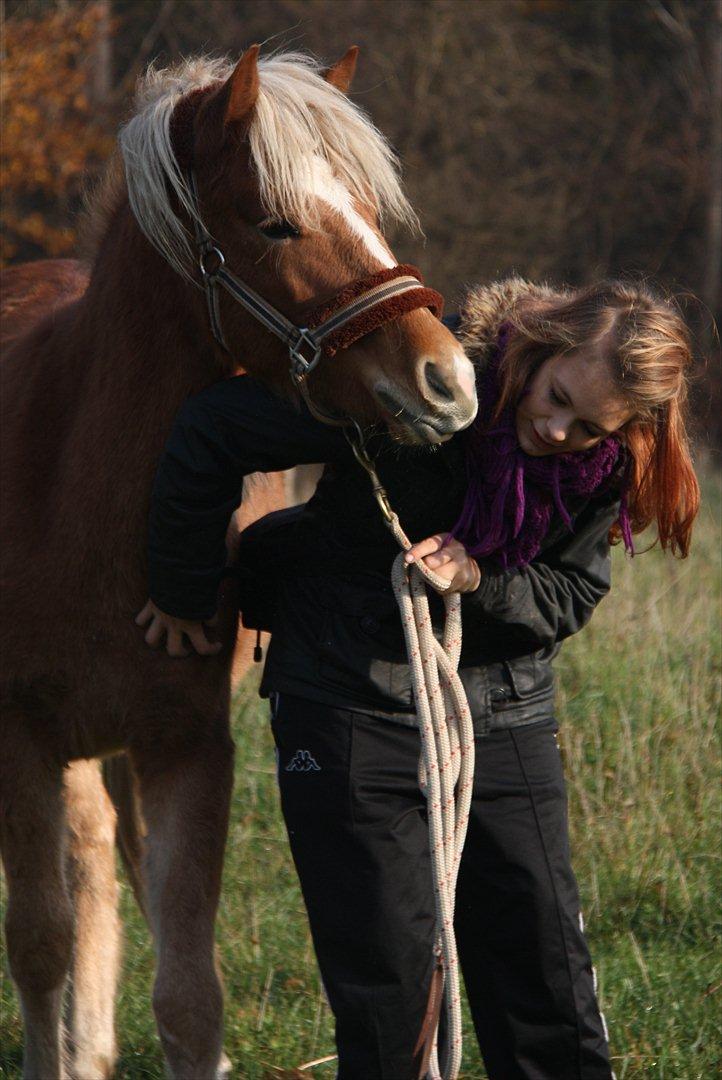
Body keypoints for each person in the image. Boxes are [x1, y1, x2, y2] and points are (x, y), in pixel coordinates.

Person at [136, 276, 699, 1080]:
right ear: (542, 345)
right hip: (344, 700)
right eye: (557, 398)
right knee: (388, 995)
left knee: (545, 974)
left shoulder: (602, 467)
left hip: (504, 716)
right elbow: (216, 427)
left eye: (587, 427)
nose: (556, 430)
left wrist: (481, 580)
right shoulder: (411, 374)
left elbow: (568, 592)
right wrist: (183, 590)